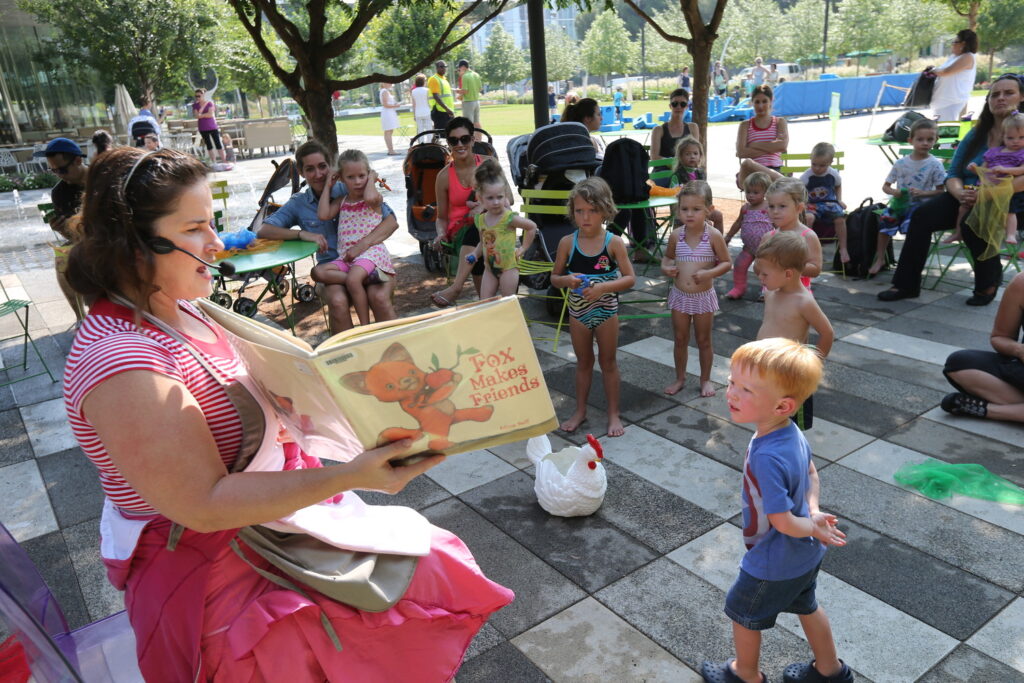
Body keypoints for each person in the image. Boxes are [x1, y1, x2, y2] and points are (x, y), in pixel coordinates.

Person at [62, 146, 514, 682]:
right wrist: (351, 475)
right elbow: (203, 506)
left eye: (213, 223)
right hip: (218, 568)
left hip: (272, 528)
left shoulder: (176, 304)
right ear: (135, 245)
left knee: (428, 566)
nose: (216, 243)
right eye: (195, 228)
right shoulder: (120, 360)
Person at [702, 337, 850, 683]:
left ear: (782, 406)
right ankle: (830, 671)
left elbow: (782, 522)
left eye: (746, 390)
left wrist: (809, 525)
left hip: (774, 559)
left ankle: (745, 674)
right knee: (806, 605)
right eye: (731, 382)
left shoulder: (767, 454)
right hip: (805, 554)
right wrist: (812, 515)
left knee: (743, 614)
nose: (732, 393)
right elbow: (812, 473)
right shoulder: (790, 432)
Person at [878, 74, 1024, 306]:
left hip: (1009, 202)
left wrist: (984, 195)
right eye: (995, 94)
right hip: (965, 193)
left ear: (1021, 97)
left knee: (970, 223)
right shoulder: (977, 134)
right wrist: (959, 193)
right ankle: (906, 284)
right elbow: (954, 172)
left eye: (1009, 93)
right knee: (922, 216)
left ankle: (987, 283)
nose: (1001, 98)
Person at [257, 140, 396, 333]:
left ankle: (394, 349)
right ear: (301, 172)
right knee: (338, 300)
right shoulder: (300, 202)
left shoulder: (351, 186)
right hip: (334, 268)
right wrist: (302, 234)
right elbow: (264, 230)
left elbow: (391, 222)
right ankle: (347, 355)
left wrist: (362, 246)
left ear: (331, 166)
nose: (319, 174)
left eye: (322, 166)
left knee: (379, 297)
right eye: (310, 169)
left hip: (368, 259)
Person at [550, 177, 636, 437]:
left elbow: (630, 278)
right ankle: (580, 411)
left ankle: (613, 414)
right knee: (583, 362)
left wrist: (602, 288)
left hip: (607, 312)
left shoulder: (613, 243)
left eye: (592, 210)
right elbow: (554, 278)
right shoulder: (567, 242)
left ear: (605, 210)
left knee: (608, 362)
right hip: (578, 314)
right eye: (580, 211)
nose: (585, 217)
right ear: (572, 212)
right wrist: (566, 280)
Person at [755, 232, 835, 430]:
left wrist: (812, 365)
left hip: (790, 374)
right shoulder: (771, 292)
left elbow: (827, 333)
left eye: (765, 274)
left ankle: (795, 458)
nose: (760, 277)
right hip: (767, 368)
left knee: (792, 426)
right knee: (769, 417)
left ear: (788, 274)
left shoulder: (803, 301)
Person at [661, 181, 731, 397]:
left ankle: (705, 380)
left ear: (709, 210)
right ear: (678, 209)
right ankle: (680, 378)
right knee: (680, 339)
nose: (689, 214)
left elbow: (726, 262)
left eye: (696, 209)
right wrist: (666, 268)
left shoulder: (713, 236)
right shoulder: (676, 235)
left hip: (703, 297)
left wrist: (709, 273)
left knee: (703, 340)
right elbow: (667, 257)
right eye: (684, 209)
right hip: (680, 296)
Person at [316, 149, 396, 326]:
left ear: (368, 175)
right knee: (318, 272)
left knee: (353, 279)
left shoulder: (373, 200)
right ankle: (364, 278)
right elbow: (323, 214)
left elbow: (369, 195)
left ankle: (364, 326)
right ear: (342, 179)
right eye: (351, 177)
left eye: (362, 176)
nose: (358, 181)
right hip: (347, 257)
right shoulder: (342, 201)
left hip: (370, 253)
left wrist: (372, 178)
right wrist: (328, 186)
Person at [942, 270, 1024, 422]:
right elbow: (1001, 337)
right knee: (959, 362)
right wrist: (1019, 350)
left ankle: (991, 411)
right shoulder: (1021, 283)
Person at [870, 119, 947, 277]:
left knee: (911, 225)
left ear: (935, 140)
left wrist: (923, 193)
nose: (925, 143)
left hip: (922, 207)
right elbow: (886, 186)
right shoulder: (901, 163)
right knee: (886, 219)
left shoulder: (935, 164)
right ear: (910, 140)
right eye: (920, 139)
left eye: (929, 139)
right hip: (900, 204)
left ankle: (908, 262)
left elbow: (941, 191)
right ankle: (880, 258)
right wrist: (894, 192)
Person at [430, 117, 492, 308]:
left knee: (481, 223)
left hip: (493, 227)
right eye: (454, 140)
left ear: (473, 140)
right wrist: (440, 234)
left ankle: (457, 288)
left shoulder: (489, 164)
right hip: (460, 234)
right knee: (477, 229)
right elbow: (441, 218)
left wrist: (482, 206)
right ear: (448, 143)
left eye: (464, 139)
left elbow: (509, 199)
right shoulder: (443, 177)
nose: (460, 144)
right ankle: (486, 305)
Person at [467, 159, 537, 298]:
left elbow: (531, 227)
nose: (496, 202)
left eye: (499, 197)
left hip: (508, 268)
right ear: (480, 198)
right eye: (490, 198)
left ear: (505, 196)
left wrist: (523, 248)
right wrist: (475, 254)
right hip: (489, 269)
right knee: (485, 301)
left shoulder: (509, 218)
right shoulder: (480, 220)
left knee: (507, 301)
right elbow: (483, 243)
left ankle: (510, 319)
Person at [36, 137, 88, 321]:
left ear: (78, 160)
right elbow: (72, 235)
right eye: (53, 170)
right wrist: (61, 229)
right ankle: (80, 317)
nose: (59, 175)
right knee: (62, 258)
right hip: (85, 240)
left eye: (62, 169)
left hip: (113, 236)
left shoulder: (101, 180)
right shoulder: (60, 192)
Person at [960, 112, 1024, 251]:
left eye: (1021, 137)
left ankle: (1011, 234)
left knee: (1009, 210)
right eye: (1010, 137)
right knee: (964, 205)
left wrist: (1007, 170)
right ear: (1003, 137)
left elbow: (1022, 170)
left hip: (1008, 190)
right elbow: (984, 170)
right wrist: (975, 169)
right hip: (986, 187)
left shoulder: (1022, 153)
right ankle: (958, 232)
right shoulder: (994, 152)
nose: (1016, 141)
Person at [767, 178, 823, 292]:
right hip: (772, 293)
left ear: (799, 208)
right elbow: (758, 267)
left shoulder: (808, 236)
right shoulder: (768, 236)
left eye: (782, 206)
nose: (775, 211)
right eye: (771, 206)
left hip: (798, 294)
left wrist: (786, 266)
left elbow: (816, 269)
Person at [725, 172, 773, 300]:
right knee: (739, 265)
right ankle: (739, 288)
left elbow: (777, 223)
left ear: (765, 193)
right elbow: (738, 223)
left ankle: (767, 290)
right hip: (749, 248)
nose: (751, 196)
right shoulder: (745, 208)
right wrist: (728, 236)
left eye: (755, 192)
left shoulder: (769, 207)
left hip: (767, 248)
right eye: (748, 192)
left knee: (766, 269)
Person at [801, 142, 849, 264]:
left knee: (840, 219)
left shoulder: (833, 174)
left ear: (830, 163)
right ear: (810, 159)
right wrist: (803, 202)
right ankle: (808, 248)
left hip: (829, 203)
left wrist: (839, 199)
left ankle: (843, 248)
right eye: (814, 164)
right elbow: (800, 191)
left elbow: (838, 186)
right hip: (812, 203)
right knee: (808, 217)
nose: (817, 168)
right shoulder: (806, 176)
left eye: (822, 165)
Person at [736, 86, 788, 189]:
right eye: (757, 102)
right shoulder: (745, 125)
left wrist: (754, 145)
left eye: (764, 101)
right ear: (752, 103)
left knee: (751, 164)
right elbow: (741, 152)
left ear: (771, 101)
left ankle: (784, 183)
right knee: (747, 163)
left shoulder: (779, 122)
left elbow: (782, 146)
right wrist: (772, 148)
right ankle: (785, 183)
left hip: (774, 169)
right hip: (751, 172)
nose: (760, 106)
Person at [669, 136, 724, 232]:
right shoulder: (677, 176)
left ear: (700, 156)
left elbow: (707, 194)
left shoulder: (701, 173)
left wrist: (706, 213)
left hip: (701, 209)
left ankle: (719, 244)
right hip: (685, 211)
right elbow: (674, 197)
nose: (692, 156)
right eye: (687, 154)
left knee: (718, 216)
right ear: (680, 157)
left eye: (695, 153)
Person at [930, 29, 978, 123]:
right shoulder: (954, 57)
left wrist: (933, 70)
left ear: (963, 44)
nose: (952, 44)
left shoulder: (967, 57)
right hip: (941, 102)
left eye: (955, 42)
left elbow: (946, 72)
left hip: (951, 102)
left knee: (944, 131)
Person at [650, 88, 700, 165]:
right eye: (675, 104)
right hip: (663, 171)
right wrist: (675, 163)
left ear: (686, 107)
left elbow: (696, 153)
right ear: (670, 106)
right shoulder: (658, 130)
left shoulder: (693, 127)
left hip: (685, 171)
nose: (678, 107)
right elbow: (654, 157)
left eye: (682, 104)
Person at [192, 88, 228, 166]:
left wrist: (201, 115)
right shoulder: (195, 105)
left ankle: (224, 161)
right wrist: (205, 115)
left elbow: (210, 114)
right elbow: (196, 116)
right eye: (196, 96)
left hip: (212, 127)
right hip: (202, 128)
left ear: (203, 95)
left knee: (218, 144)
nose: (197, 97)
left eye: (199, 95)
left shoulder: (209, 103)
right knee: (209, 145)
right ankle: (214, 162)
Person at [456, 59, 482, 138]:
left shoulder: (465, 76)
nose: (459, 70)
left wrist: (457, 91)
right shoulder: (476, 74)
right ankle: (479, 139)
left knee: (468, 123)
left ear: (463, 67)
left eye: (459, 68)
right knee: (477, 122)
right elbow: (480, 89)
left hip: (468, 102)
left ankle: (470, 140)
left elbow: (465, 91)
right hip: (476, 101)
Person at [427, 61, 456, 132]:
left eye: (445, 67)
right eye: (441, 67)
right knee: (441, 134)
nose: (444, 68)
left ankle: (433, 142)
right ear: (437, 68)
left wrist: (449, 109)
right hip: (439, 111)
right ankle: (433, 143)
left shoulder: (444, 79)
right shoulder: (434, 79)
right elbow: (436, 96)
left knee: (449, 133)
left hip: (447, 111)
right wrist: (447, 109)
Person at [379, 82, 400, 155]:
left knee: (390, 131)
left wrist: (395, 104)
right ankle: (391, 150)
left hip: (390, 112)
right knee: (388, 131)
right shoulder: (384, 91)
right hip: (387, 113)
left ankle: (391, 149)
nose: (390, 84)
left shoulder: (386, 91)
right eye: (389, 82)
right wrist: (395, 106)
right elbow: (385, 104)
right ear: (384, 83)